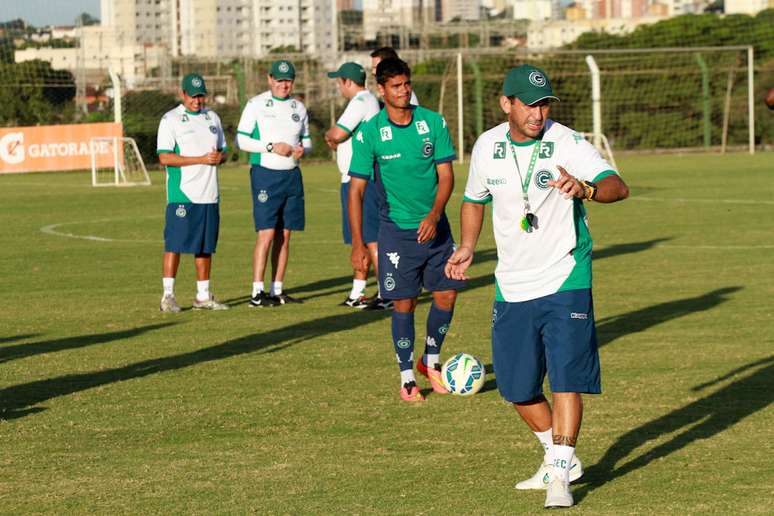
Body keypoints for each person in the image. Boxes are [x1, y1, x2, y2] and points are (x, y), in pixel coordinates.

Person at [445, 64, 629, 508]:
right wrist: (468, 245)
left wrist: (585, 188)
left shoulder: (566, 141)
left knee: (567, 376)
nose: (538, 112)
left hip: (566, 273)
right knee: (516, 387)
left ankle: (560, 474)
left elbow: (617, 187)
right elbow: (473, 201)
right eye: (530, 103)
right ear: (507, 103)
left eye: (545, 103)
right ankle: (556, 453)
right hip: (512, 283)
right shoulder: (487, 146)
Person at [349, 58, 465, 401]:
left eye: (407, 84)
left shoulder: (432, 122)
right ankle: (407, 377)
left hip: (436, 228)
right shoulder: (370, 132)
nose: (404, 91)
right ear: (381, 90)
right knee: (404, 304)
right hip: (397, 233)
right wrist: (358, 244)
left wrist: (434, 215)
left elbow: (446, 175)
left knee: (447, 293)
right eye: (396, 86)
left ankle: (431, 361)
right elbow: (356, 191)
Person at [236, 60, 312, 307]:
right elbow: (242, 140)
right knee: (266, 233)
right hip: (266, 174)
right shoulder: (256, 104)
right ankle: (257, 292)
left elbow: (307, 141)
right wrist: (270, 147)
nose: (283, 84)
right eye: (279, 79)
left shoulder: (298, 107)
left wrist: (303, 150)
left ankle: (276, 289)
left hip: (292, 175)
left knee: (286, 234)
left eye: (288, 80)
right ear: (269, 79)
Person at [157, 73, 229, 312]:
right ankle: (168, 296)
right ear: (183, 94)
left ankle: (202, 296)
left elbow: (223, 152)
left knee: (205, 246)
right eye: (193, 96)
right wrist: (199, 159)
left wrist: (220, 157)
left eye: (201, 96)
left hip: (209, 193)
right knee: (175, 244)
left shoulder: (213, 118)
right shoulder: (170, 119)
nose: (197, 101)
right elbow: (165, 157)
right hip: (183, 194)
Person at [324, 62, 386, 309]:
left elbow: (336, 134)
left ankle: (386, 292)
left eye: (339, 82)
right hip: (358, 177)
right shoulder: (367, 101)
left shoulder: (360, 101)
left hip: (361, 179)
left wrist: (330, 136)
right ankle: (358, 292)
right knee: (360, 238)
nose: (339, 87)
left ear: (347, 82)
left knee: (370, 238)